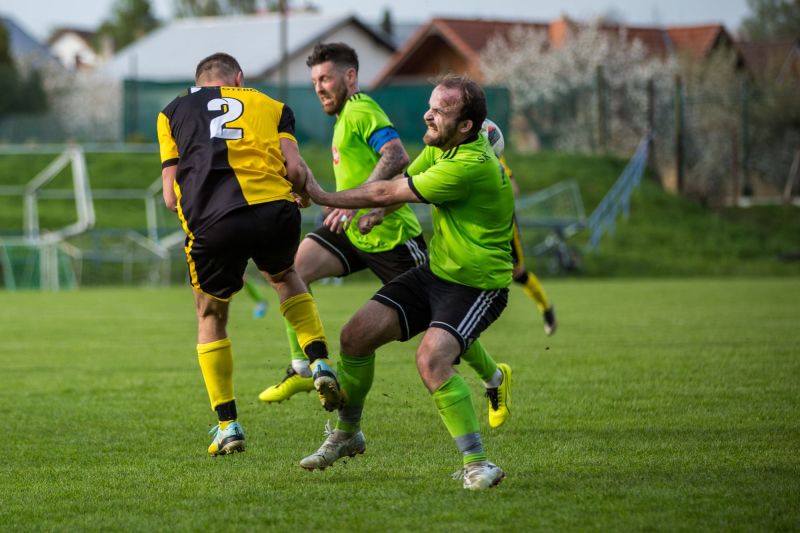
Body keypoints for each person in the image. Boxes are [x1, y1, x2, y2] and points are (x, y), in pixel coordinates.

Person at [258, 43, 511, 431]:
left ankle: (493, 377)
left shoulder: (361, 109)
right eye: (314, 81)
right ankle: (304, 365)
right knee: (289, 270)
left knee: (437, 323)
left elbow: (395, 157)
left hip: (392, 237)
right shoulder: (345, 117)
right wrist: (365, 209)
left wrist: (343, 201)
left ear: (350, 77)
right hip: (354, 226)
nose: (319, 87)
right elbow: (400, 180)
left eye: (325, 78)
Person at [300, 74, 513, 490]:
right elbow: (396, 188)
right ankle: (347, 435)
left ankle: (478, 464)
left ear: (466, 126)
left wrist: (319, 193)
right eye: (430, 106)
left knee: (432, 360)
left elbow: (384, 193)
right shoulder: (445, 148)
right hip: (437, 272)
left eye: (439, 111)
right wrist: (380, 208)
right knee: (355, 336)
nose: (427, 115)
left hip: (477, 285)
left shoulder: (468, 166)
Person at [156, 52, 341, 457]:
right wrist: (302, 193)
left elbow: (171, 197)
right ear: (237, 78)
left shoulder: (170, 113)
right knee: (284, 276)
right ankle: (321, 362)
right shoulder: (273, 106)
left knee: (210, 315)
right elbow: (294, 169)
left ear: (198, 81)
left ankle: (228, 425)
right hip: (274, 210)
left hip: (214, 222)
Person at [482, 119, 557, 336]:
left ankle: (546, 308)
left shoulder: (493, 154)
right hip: (474, 228)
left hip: (503, 224)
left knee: (518, 272)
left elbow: (514, 189)